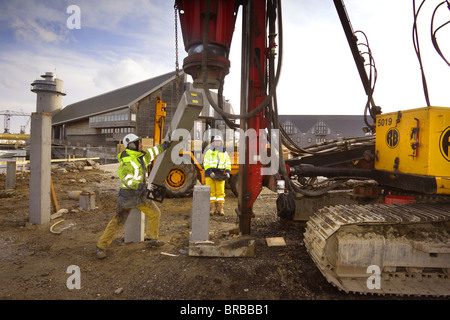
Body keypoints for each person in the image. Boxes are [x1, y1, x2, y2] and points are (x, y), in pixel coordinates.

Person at [96, 133, 171, 259]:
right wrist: (144, 186)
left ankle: (152, 239)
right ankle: (101, 247)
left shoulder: (142, 156)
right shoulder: (126, 162)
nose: (141, 145)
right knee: (118, 221)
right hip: (128, 197)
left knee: (155, 213)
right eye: (139, 143)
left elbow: (153, 151)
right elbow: (127, 181)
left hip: (141, 195)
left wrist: (165, 145)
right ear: (131, 145)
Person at [203, 135, 231, 216]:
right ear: (213, 142)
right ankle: (213, 209)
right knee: (211, 192)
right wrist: (209, 171)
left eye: (219, 141)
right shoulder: (209, 152)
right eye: (216, 141)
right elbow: (206, 162)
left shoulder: (224, 153)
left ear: (221, 142)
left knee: (220, 192)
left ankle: (220, 209)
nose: (217, 142)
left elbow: (228, 163)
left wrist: (228, 172)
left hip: (220, 174)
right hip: (210, 174)